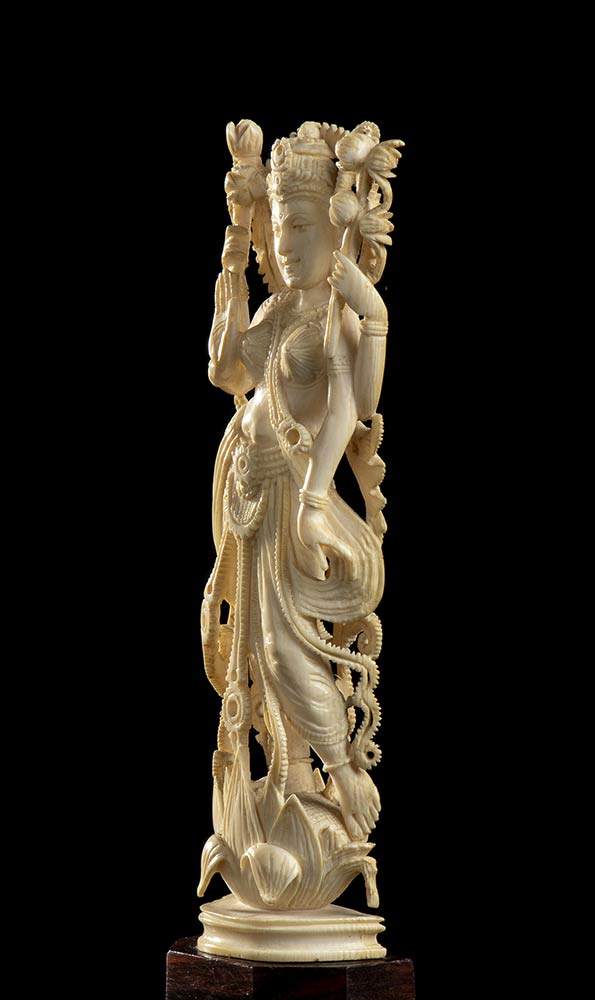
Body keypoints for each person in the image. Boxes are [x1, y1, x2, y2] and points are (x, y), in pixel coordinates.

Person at [202, 121, 394, 843]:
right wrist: (234, 244)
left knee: (290, 647)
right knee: (250, 654)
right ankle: (288, 782)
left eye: (302, 226)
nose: (286, 242)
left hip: (294, 497)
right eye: (280, 226)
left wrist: (373, 311)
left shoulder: (334, 316)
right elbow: (229, 373)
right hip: (247, 496)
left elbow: (354, 406)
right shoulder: (279, 309)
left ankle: (340, 770)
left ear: (332, 231)